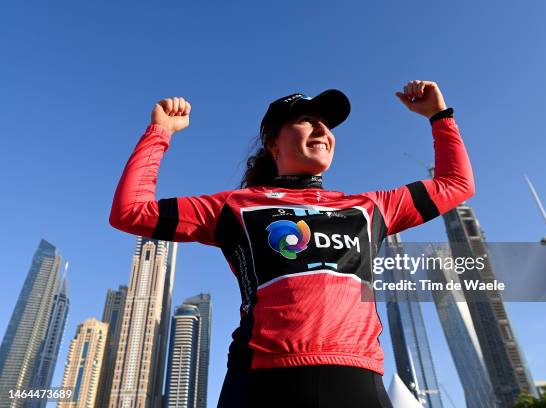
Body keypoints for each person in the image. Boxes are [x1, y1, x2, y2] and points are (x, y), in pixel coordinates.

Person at [109, 80, 474, 407]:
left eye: (326, 123)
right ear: (272, 144)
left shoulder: (370, 207)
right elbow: (130, 211)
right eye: (305, 119)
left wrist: (439, 116)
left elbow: (457, 185)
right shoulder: (234, 206)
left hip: (356, 375)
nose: (321, 128)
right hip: (261, 379)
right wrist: (160, 132)